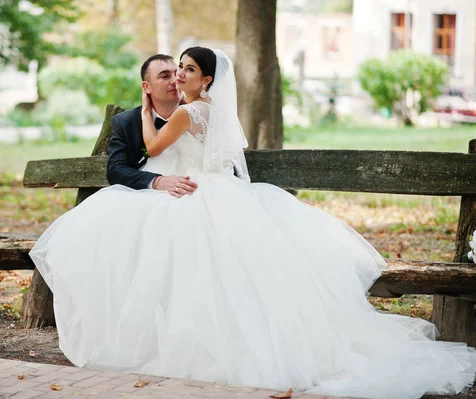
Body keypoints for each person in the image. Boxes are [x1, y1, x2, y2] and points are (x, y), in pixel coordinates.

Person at [30, 47, 475, 399]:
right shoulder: (192, 111)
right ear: (147, 83)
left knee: (212, 276)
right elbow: (124, 166)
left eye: (182, 69)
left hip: (198, 196)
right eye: (170, 71)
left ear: (205, 78)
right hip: (195, 194)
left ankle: (197, 350)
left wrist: (149, 119)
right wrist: (153, 165)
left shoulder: (188, 112)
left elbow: (163, 144)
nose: (177, 76)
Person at [107, 53, 198, 197]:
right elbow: (115, 170)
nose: (175, 80)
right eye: (165, 76)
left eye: (177, 74)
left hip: (196, 195)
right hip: (145, 197)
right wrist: (157, 181)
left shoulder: (199, 117)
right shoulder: (126, 122)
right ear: (146, 87)